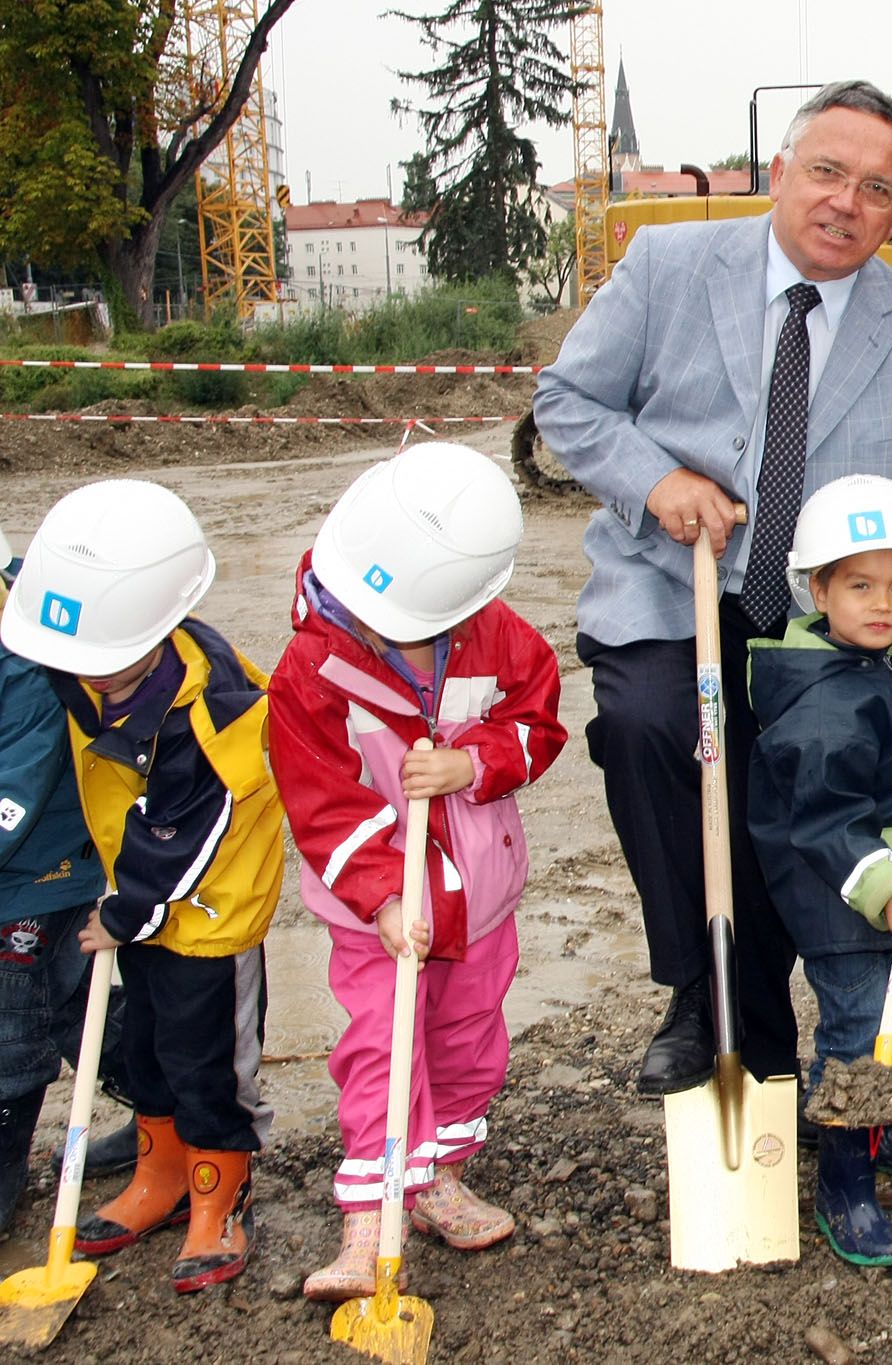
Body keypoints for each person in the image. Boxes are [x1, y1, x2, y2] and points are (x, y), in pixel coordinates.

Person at [533, 80, 892, 1099]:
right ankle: (701, 991)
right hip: (671, 582)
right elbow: (566, 400)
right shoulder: (669, 266)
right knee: (653, 729)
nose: (845, 203)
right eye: (826, 173)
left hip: (819, 618)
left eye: (876, 189)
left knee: (794, 779)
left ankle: (775, 1003)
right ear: (779, 174)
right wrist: (658, 481)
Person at [266, 444, 566, 1301]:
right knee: (382, 1046)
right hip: (381, 912)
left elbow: (537, 720)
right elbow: (321, 804)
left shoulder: (492, 631)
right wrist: (387, 896)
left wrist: (472, 763)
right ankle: (371, 1209)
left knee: (468, 1038)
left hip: (481, 894)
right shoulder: (311, 673)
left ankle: (436, 1176)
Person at [0, 480, 283, 1294]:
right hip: (144, 903)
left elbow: (182, 840)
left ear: (157, 628)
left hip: (207, 911)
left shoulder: (214, 711)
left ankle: (218, 1193)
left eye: (99, 669)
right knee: (148, 1046)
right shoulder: (91, 660)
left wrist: (125, 912)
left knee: (207, 1062)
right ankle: (159, 1176)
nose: (81, 682)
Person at [746, 475, 892, 1267]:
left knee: (873, 1012)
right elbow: (827, 817)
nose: (882, 603)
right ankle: (844, 1177)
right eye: (860, 585)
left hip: (876, 884)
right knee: (858, 1028)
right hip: (842, 893)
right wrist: (886, 889)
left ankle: (867, 1120)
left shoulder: (879, 661)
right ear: (817, 587)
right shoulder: (826, 703)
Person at [0, 526, 100, 1235]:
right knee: (68, 1007)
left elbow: (16, 789)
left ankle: (5, 1170)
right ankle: (161, 1095)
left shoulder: (27, 657)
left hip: (44, 872)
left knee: (15, 1022)